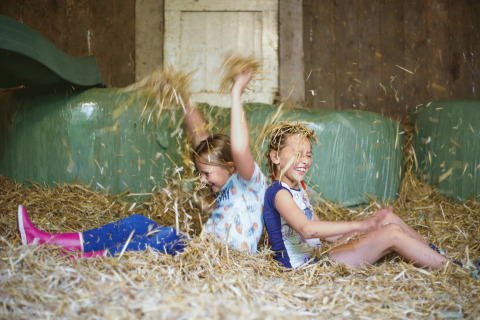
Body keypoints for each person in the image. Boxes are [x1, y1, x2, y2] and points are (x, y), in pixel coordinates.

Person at [17, 68, 266, 257]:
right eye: (201, 173)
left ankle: (86, 259)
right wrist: (181, 98)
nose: (203, 179)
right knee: (138, 223)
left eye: (207, 173)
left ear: (231, 166)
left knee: (165, 237)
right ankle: (48, 242)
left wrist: (236, 92)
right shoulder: (222, 177)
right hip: (200, 253)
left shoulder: (249, 182)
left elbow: (240, 147)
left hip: (222, 262)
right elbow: (201, 137)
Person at [263, 122, 450, 269]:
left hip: (319, 255)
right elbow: (307, 229)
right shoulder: (278, 193)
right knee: (391, 234)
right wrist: (358, 225)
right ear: (275, 157)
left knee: (388, 219)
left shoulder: (298, 189)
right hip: (306, 268)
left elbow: (318, 231)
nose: (304, 160)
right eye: (297, 153)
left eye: (308, 155)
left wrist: (354, 235)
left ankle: (433, 252)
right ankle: (453, 269)